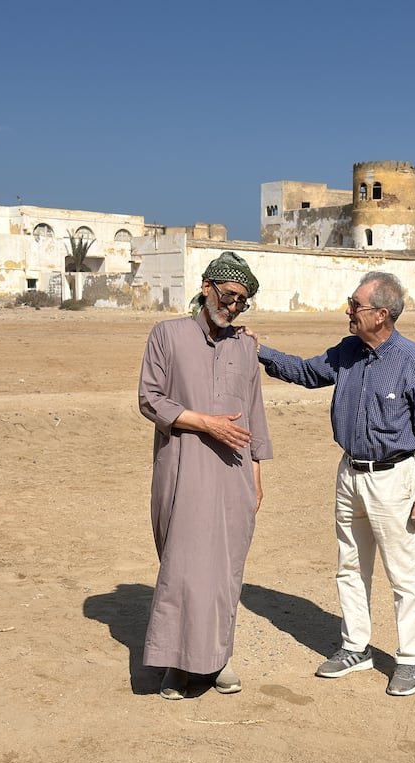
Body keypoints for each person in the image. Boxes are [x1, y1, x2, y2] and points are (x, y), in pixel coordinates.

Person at [242, 272, 415, 696]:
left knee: (404, 574)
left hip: (395, 480)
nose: (348, 311)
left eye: (355, 305)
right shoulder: (347, 352)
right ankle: (356, 647)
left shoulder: (413, 361)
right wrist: (259, 352)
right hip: (349, 474)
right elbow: (306, 372)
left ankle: (410, 659)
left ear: (381, 315)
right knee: (351, 565)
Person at [137, 252, 272, 700]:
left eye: (242, 302)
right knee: (183, 568)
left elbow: (254, 413)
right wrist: (205, 422)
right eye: (230, 296)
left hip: (233, 476)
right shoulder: (167, 335)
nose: (233, 307)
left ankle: (217, 660)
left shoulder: (244, 347)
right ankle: (175, 665)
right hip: (182, 467)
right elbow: (150, 399)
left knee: (224, 573)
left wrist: (256, 473)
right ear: (207, 286)